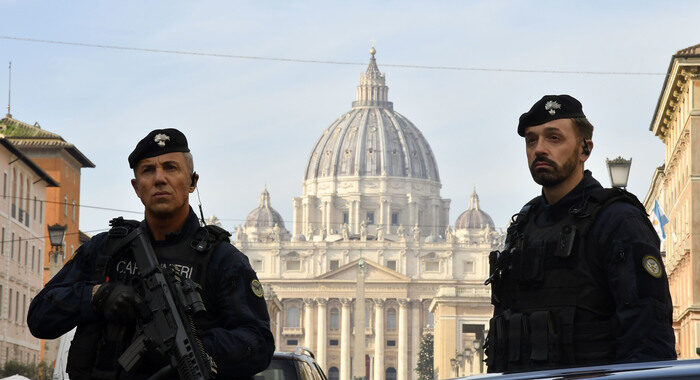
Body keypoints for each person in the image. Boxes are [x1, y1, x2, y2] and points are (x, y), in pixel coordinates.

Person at [28, 128, 275, 379]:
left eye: (171, 168)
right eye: (148, 170)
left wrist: (191, 347)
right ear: (136, 187)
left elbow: (259, 344)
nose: (159, 179)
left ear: (192, 181)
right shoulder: (105, 250)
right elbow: (39, 318)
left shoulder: (222, 260)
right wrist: (96, 295)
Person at [484, 95, 676, 373]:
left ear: (585, 150)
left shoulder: (618, 219)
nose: (539, 149)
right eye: (531, 140)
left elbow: (648, 338)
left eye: (554, 138)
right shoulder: (522, 226)